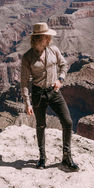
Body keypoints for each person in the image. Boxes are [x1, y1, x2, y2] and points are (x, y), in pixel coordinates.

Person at [21, 22, 79, 171]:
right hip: (38, 94)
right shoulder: (27, 57)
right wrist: (27, 103)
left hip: (54, 92)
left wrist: (60, 79)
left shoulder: (53, 50)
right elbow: (24, 82)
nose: (50, 39)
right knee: (41, 125)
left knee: (67, 122)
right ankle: (42, 158)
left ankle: (66, 157)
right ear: (40, 38)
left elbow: (63, 65)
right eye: (47, 37)